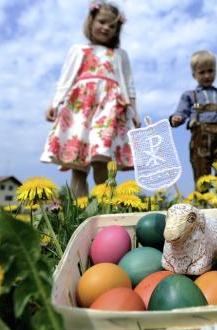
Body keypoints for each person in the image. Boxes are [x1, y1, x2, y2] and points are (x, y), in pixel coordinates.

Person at [40, 1, 140, 197]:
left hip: (109, 110)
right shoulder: (78, 50)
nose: (106, 28)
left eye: (112, 26)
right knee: (78, 164)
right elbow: (65, 79)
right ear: (91, 21)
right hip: (80, 109)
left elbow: (129, 85)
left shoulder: (120, 55)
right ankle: (80, 212)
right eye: (102, 22)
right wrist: (54, 102)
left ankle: (105, 209)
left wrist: (134, 111)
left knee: (101, 161)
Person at [169, 50, 217, 185]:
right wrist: (177, 118)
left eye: (210, 71)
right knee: (202, 178)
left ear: (216, 71)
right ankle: (203, 202)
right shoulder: (190, 95)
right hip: (199, 144)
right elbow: (181, 112)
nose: (207, 75)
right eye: (202, 72)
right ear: (194, 75)